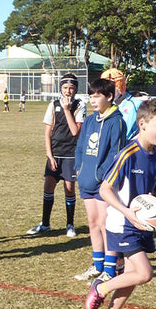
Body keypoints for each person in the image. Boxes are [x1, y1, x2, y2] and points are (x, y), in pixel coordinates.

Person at [84, 99, 156, 309]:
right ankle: (100, 288)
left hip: (142, 225)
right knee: (144, 273)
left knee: (131, 279)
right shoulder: (128, 153)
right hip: (123, 224)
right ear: (142, 124)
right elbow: (104, 190)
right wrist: (127, 211)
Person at [74, 78, 127, 282]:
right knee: (93, 223)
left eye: (97, 96)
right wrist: (80, 169)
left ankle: (111, 268)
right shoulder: (89, 121)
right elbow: (80, 148)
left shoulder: (117, 122)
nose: (93, 100)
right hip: (86, 180)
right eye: (91, 96)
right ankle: (97, 265)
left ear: (110, 97)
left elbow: (116, 153)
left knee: (106, 225)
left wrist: (101, 176)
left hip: (103, 184)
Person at [27, 74, 86, 237]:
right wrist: (50, 155)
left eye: (71, 88)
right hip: (55, 152)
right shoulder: (53, 105)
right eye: (65, 88)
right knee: (48, 186)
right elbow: (48, 133)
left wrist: (67, 110)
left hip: (71, 153)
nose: (68, 91)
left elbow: (75, 131)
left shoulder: (80, 105)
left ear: (76, 90)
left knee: (69, 188)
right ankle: (45, 224)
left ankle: (70, 224)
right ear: (60, 88)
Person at [100, 68, 142, 140]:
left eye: (111, 87)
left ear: (120, 85)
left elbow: (148, 128)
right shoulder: (106, 105)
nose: (107, 91)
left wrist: (133, 142)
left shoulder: (136, 104)